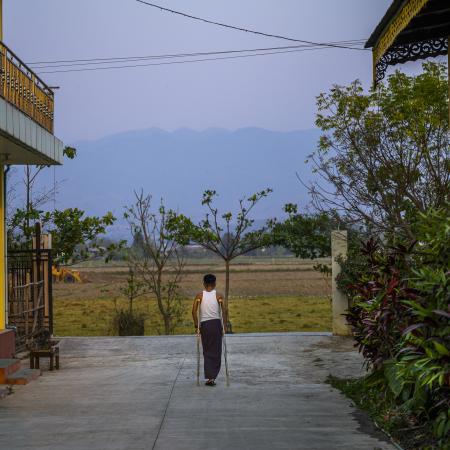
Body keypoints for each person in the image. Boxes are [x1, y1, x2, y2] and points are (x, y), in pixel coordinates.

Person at [192, 273, 227, 386]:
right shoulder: (219, 296)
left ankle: (209, 377)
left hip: (205, 326)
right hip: (216, 325)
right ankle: (212, 377)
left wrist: (196, 326)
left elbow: (193, 311)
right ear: (215, 283)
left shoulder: (199, 295)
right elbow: (225, 311)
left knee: (207, 351)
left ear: (204, 283)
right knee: (216, 351)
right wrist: (224, 326)